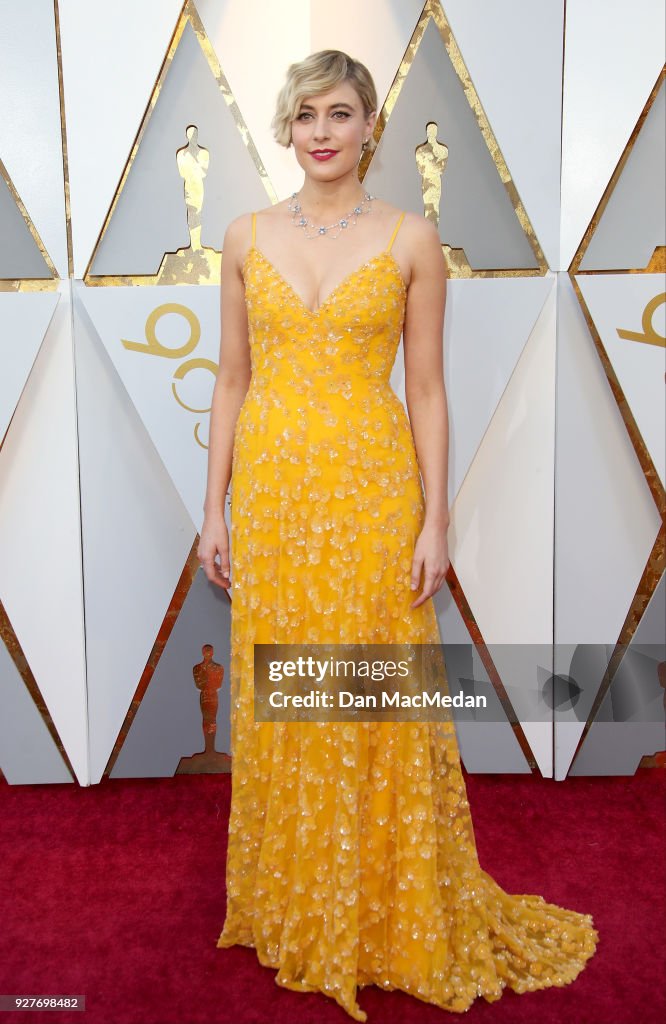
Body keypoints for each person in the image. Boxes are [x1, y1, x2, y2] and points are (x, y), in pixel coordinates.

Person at [198, 49, 599, 1023]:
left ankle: (383, 904)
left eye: (341, 113)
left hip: (373, 498)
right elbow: (232, 379)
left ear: (371, 126)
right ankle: (298, 899)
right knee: (285, 693)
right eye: (305, 115)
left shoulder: (411, 238)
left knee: (371, 696)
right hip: (280, 502)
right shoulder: (244, 237)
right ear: (285, 129)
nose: (323, 131)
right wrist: (214, 508)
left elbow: (424, 388)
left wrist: (436, 515)